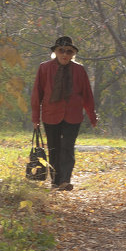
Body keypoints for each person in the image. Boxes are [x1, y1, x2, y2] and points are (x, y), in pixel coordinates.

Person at [31, 36, 98, 191]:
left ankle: (65, 180)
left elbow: (87, 94)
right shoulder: (44, 68)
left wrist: (92, 116)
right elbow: (37, 94)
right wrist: (35, 117)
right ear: (55, 52)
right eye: (61, 51)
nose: (65, 54)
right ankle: (55, 181)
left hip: (72, 115)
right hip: (51, 114)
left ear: (73, 54)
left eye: (69, 51)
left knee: (67, 147)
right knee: (54, 148)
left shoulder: (79, 70)